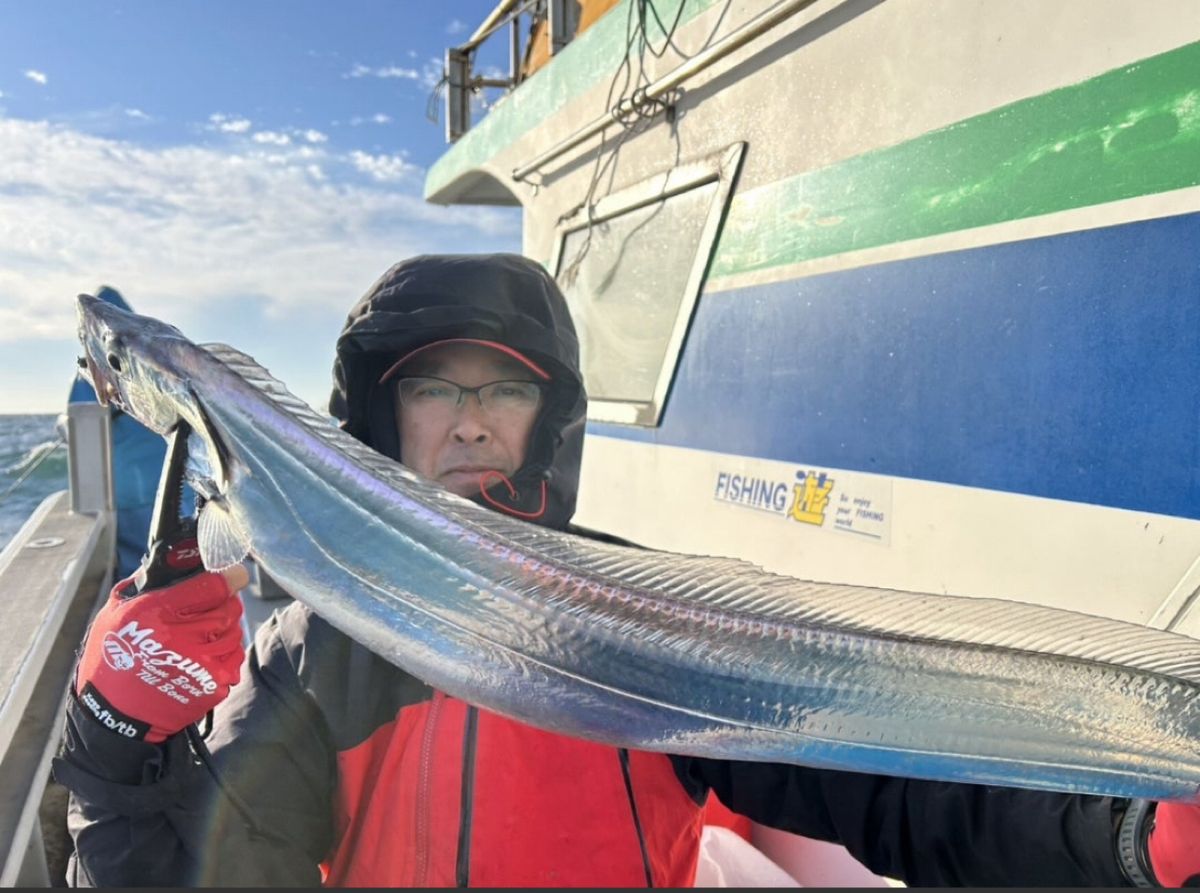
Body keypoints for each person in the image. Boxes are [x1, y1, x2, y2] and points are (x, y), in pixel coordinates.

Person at [54, 254, 1199, 887]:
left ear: (546, 415)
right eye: (431, 387)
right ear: (385, 415)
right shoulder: (319, 648)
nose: (467, 422)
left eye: (501, 387)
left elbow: (885, 780)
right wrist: (113, 751)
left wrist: (1119, 830)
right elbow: (207, 869)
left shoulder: (636, 617)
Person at [66, 285, 178, 580]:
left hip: (128, 492)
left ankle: (141, 612)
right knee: (178, 558)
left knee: (139, 569)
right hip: (173, 484)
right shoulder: (157, 360)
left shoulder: (89, 371)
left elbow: (79, 418)